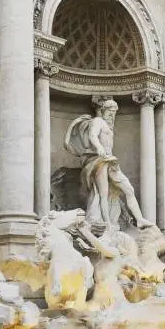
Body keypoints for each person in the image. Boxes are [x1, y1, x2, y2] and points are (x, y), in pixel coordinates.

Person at [64, 97, 152, 232]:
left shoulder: (109, 126)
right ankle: (107, 224)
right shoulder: (98, 121)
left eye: (114, 113)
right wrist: (99, 147)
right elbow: (93, 136)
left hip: (110, 160)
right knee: (103, 193)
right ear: (103, 111)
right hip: (99, 160)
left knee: (129, 189)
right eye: (110, 112)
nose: (112, 116)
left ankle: (139, 219)